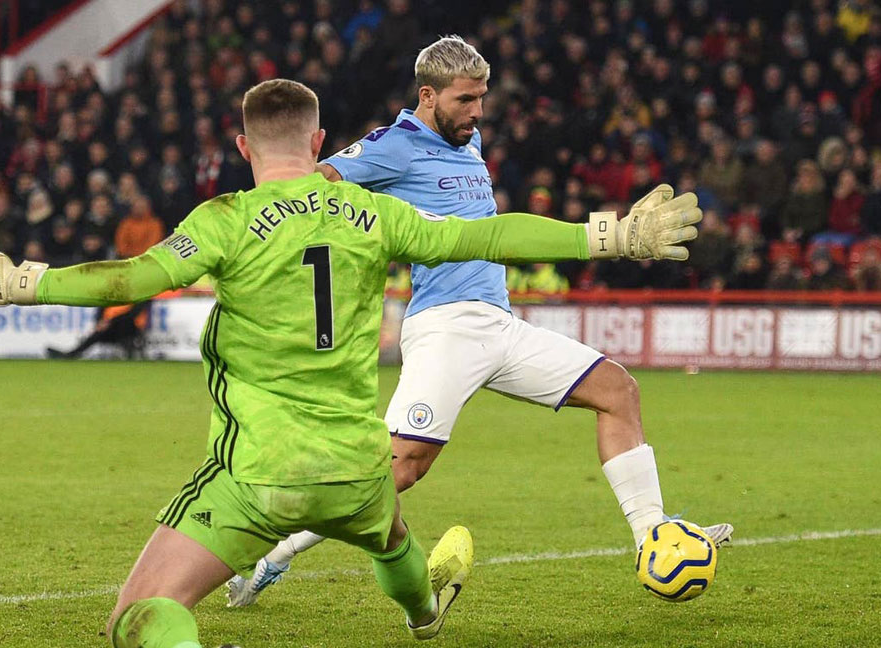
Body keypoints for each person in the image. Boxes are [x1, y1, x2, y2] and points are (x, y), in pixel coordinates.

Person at [0, 79, 701, 648]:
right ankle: (423, 613)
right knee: (392, 537)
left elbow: (127, 281)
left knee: (135, 614)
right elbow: (491, 236)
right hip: (359, 467)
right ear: (319, 138)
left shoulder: (225, 220)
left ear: (242, 146)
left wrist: (20, 280)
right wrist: (611, 235)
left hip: (262, 474)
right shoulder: (375, 214)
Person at [227, 37, 731, 608]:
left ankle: (654, 539)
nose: (478, 112)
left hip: (500, 325)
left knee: (618, 389)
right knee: (399, 469)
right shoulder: (391, 148)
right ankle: (272, 553)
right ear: (427, 96)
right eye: (466, 100)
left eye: (482, 98)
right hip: (445, 329)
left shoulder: (469, 140)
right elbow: (309, 182)